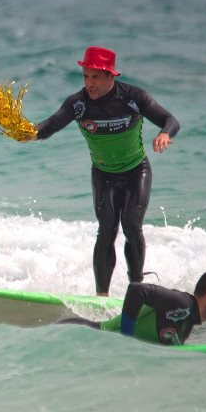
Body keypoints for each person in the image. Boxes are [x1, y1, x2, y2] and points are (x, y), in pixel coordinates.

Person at [26, 47, 181, 296]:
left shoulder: (133, 97)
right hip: (103, 175)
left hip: (135, 172)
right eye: (86, 77)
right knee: (107, 229)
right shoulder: (78, 104)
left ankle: (136, 288)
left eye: (95, 77)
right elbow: (50, 125)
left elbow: (170, 120)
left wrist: (164, 133)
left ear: (111, 76)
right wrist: (28, 132)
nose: (89, 83)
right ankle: (102, 296)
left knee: (131, 226)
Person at [58, 267, 206, 345]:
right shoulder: (182, 305)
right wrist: (125, 341)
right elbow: (137, 290)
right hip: (81, 334)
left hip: (91, 342)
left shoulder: (186, 325)